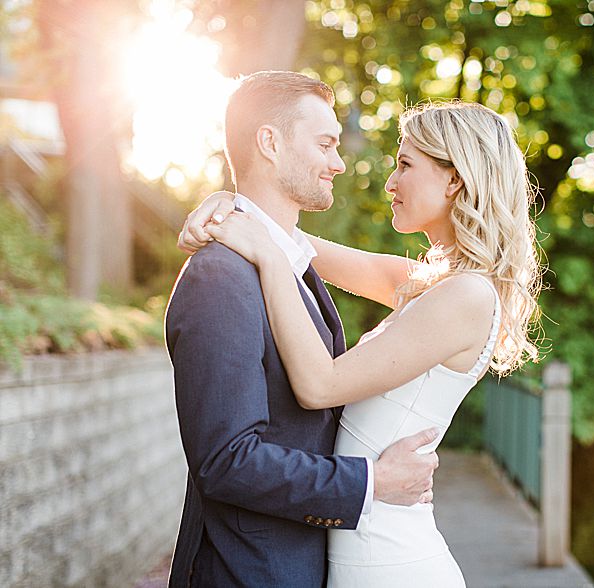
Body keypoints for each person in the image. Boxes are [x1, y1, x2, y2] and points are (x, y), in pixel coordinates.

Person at [178, 98, 542, 586]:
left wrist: (264, 255)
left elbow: (320, 386)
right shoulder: (431, 284)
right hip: (363, 546)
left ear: (454, 180)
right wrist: (228, 204)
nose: (390, 182)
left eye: (405, 165)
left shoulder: (466, 298)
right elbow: (298, 243)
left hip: (389, 561)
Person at [165, 71, 441, 587]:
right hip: (247, 572)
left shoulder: (287, 261)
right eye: (325, 144)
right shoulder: (220, 277)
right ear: (269, 142)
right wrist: (371, 483)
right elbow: (227, 461)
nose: (339, 163)